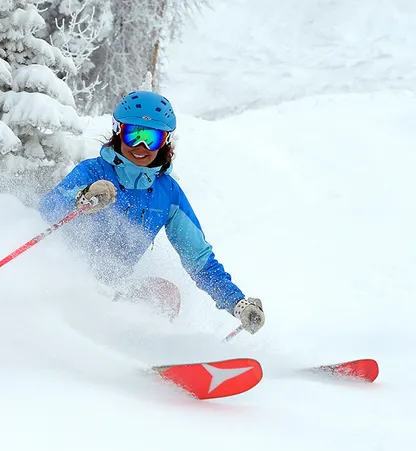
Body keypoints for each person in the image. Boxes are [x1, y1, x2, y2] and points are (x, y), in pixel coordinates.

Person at [37, 90, 265, 334]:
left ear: (164, 141)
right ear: (118, 132)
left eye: (151, 138)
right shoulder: (93, 172)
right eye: (133, 135)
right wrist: (81, 198)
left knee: (163, 294)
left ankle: (139, 357)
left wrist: (236, 303)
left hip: (111, 292)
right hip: (65, 283)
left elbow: (199, 260)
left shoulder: (167, 193)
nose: (141, 146)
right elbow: (47, 209)